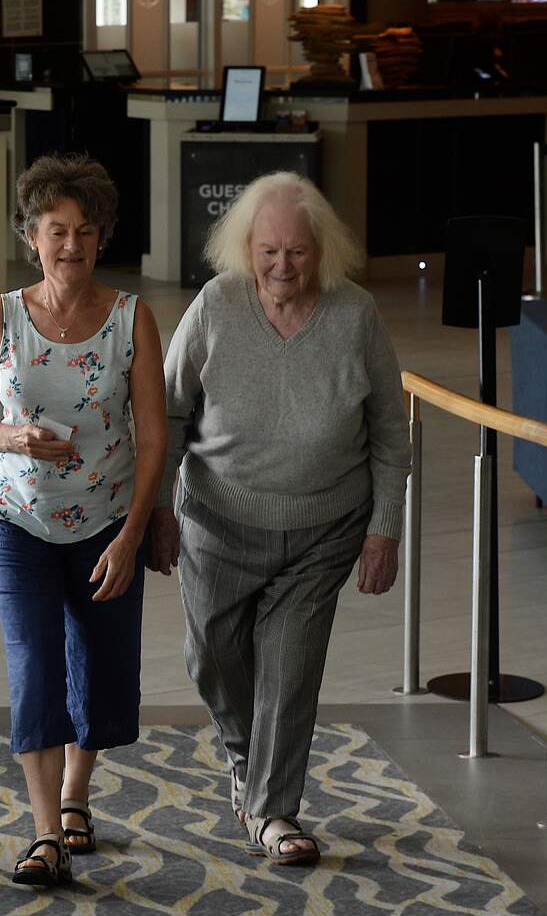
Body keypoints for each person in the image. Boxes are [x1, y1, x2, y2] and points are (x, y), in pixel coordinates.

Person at [147, 172, 410, 867]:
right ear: (245, 248)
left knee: (289, 673)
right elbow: (170, 415)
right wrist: (154, 512)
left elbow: (388, 429)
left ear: (321, 250)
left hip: (323, 530)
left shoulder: (354, 316)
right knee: (210, 658)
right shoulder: (215, 306)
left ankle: (273, 812)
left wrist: (384, 528)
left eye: (296, 252)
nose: (281, 266)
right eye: (268, 252)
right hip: (216, 521)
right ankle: (247, 759)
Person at [0, 155, 167, 887]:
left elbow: (152, 438)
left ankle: (78, 792)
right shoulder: (1, 315)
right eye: (56, 231)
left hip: (106, 522)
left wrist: (132, 533)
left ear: (100, 238)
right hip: (17, 521)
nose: (71, 246)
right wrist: (13, 437)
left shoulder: (131, 319)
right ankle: (45, 831)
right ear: (31, 237)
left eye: (84, 231)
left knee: (107, 679)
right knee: (36, 669)